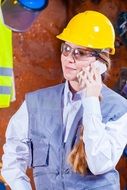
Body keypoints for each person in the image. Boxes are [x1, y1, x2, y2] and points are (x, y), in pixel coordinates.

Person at [1, 10, 127, 190]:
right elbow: (12, 160)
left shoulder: (119, 109)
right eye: (66, 49)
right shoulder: (35, 103)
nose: (69, 59)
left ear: (101, 62)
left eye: (80, 53)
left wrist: (91, 100)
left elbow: (100, 163)